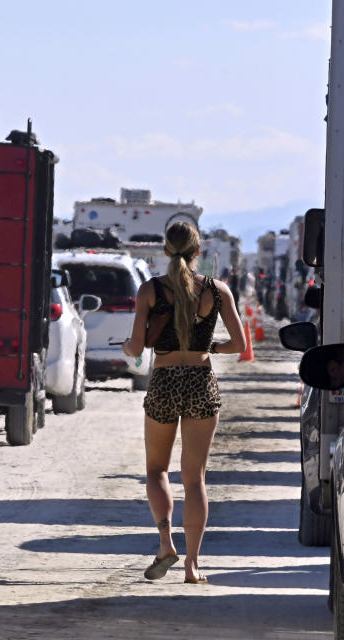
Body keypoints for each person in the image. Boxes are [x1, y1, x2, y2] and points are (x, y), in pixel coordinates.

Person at [122, 221, 246, 584]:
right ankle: (192, 566)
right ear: (197, 251)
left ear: (165, 250)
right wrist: (211, 348)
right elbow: (238, 344)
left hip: (163, 379)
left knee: (156, 470)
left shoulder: (150, 291)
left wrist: (130, 350)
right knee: (195, 478)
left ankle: (165, 543)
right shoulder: (216, 290)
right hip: (200, 380)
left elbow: (137, 345)